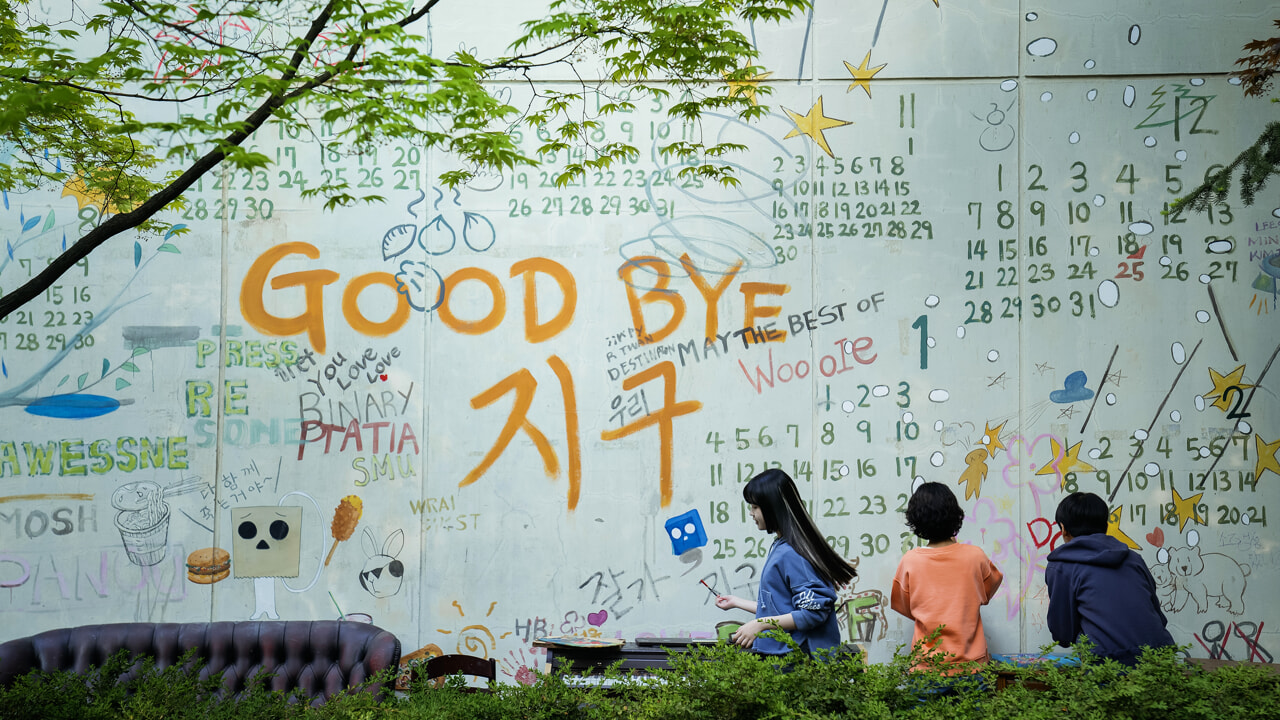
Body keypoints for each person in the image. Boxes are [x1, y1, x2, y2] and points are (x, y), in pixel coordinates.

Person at [714, 469, 858, 656]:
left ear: (772, 507)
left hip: (800, 669)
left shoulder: (792, 553)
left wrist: (759, 624)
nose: (751, 513)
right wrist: (736, 602)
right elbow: (781, 609)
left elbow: (812, 613)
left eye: (755, 507)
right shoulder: (783, 547)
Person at [1045, 491, 1174, 665]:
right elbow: (1158, 616)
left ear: (1063, 529)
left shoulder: (1062, 566)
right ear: (1105, 526)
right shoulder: (1133, 559)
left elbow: (1062, 634)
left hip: (1109, 665)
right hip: (1161, 659)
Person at [891, 482, 1003, 671]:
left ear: (916, 519)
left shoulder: (910, 561)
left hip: (927, 667)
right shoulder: (975, 556)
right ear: (954, 515)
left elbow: (905, 606)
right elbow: (988, 589)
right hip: (971, 665)